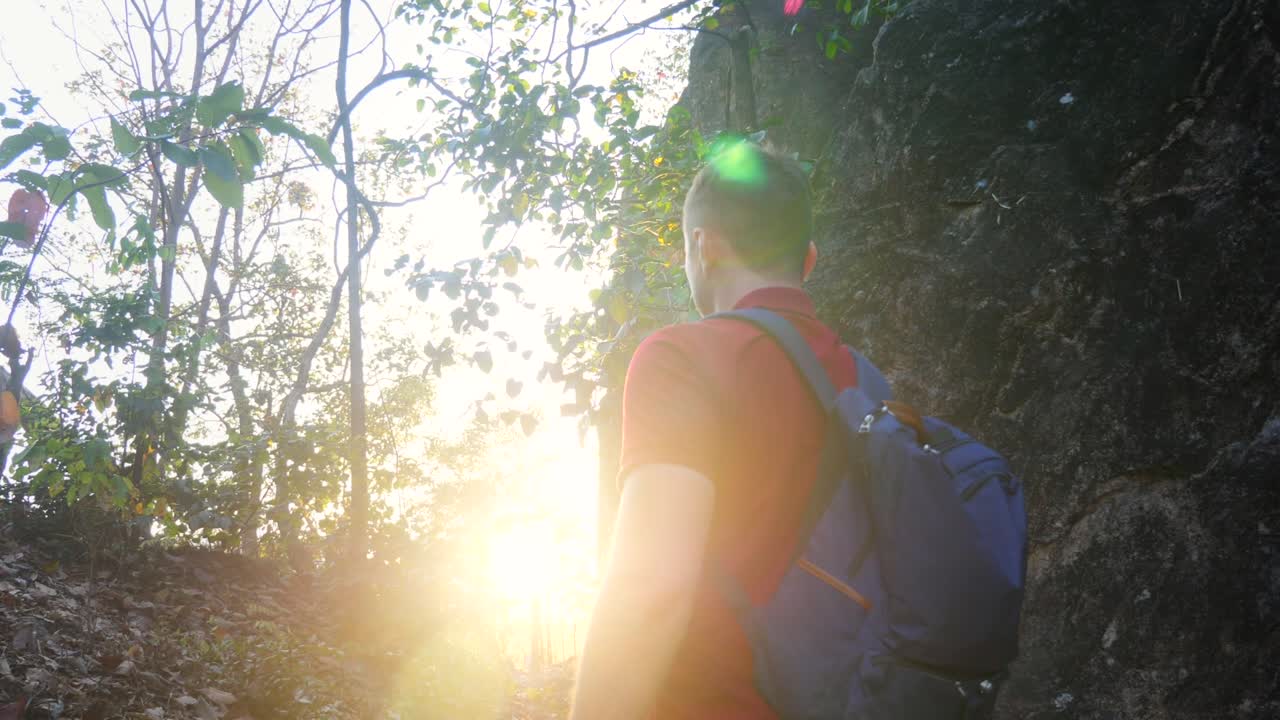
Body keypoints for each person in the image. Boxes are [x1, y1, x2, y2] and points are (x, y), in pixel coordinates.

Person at [570, 142, 860, 720]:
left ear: (702, 246)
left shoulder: (683, 358)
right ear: (807, 259)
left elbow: (649, 593)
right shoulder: (864, 385)